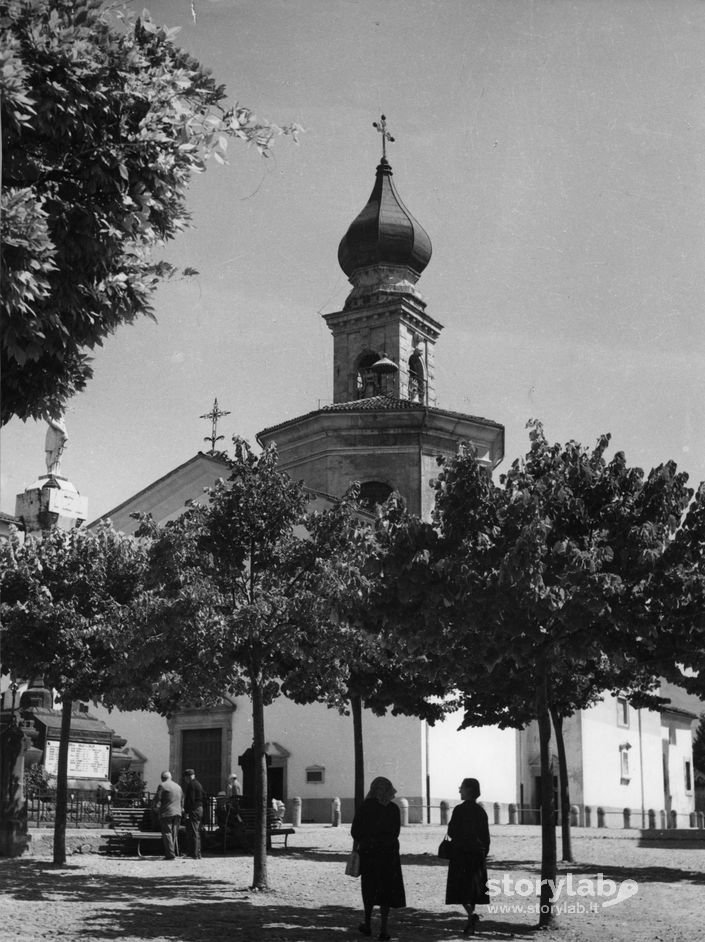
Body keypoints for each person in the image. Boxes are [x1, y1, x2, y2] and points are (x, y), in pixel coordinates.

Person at [350, 776, 406, 941]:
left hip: (370, 853)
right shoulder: (393, 808)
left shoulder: (365, 807)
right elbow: (396, 832)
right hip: (389, 854)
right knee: (386, 891)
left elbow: (355, 831)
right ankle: (384, 928)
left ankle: (367, 923)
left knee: (369, 888)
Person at [445, 777, 490, 936]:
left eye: (462, 787)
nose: (459, 790)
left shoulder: (459, 810)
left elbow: (451, 832)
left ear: (469, 790)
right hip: (477, 854)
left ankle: (471, 916)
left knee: (460, 888)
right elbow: (486, 836)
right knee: (472, 889)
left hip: (460, 854)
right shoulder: (481, 811)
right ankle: (471, 919)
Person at [153, 771, 183, 860]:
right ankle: (172, 852)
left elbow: (158, 799)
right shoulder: (178, 786)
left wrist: (155, 808)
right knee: (174, 834)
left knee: (167, 833)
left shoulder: (162, 785)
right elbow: (182, 799)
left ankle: (170, 854)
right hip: (178, 812)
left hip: (167, 813)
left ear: (162, 778)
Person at [183, 768, 205, 859]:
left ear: (188, 777)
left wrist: (187, 811)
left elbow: (190, 800)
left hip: (194, 809)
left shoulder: (191, 785)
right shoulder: (198, 784)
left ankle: (194, 854)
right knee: (196, 831)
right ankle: (197, 853)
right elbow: (204, 795)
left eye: (185, 777)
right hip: (199, 808)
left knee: (194, 831)